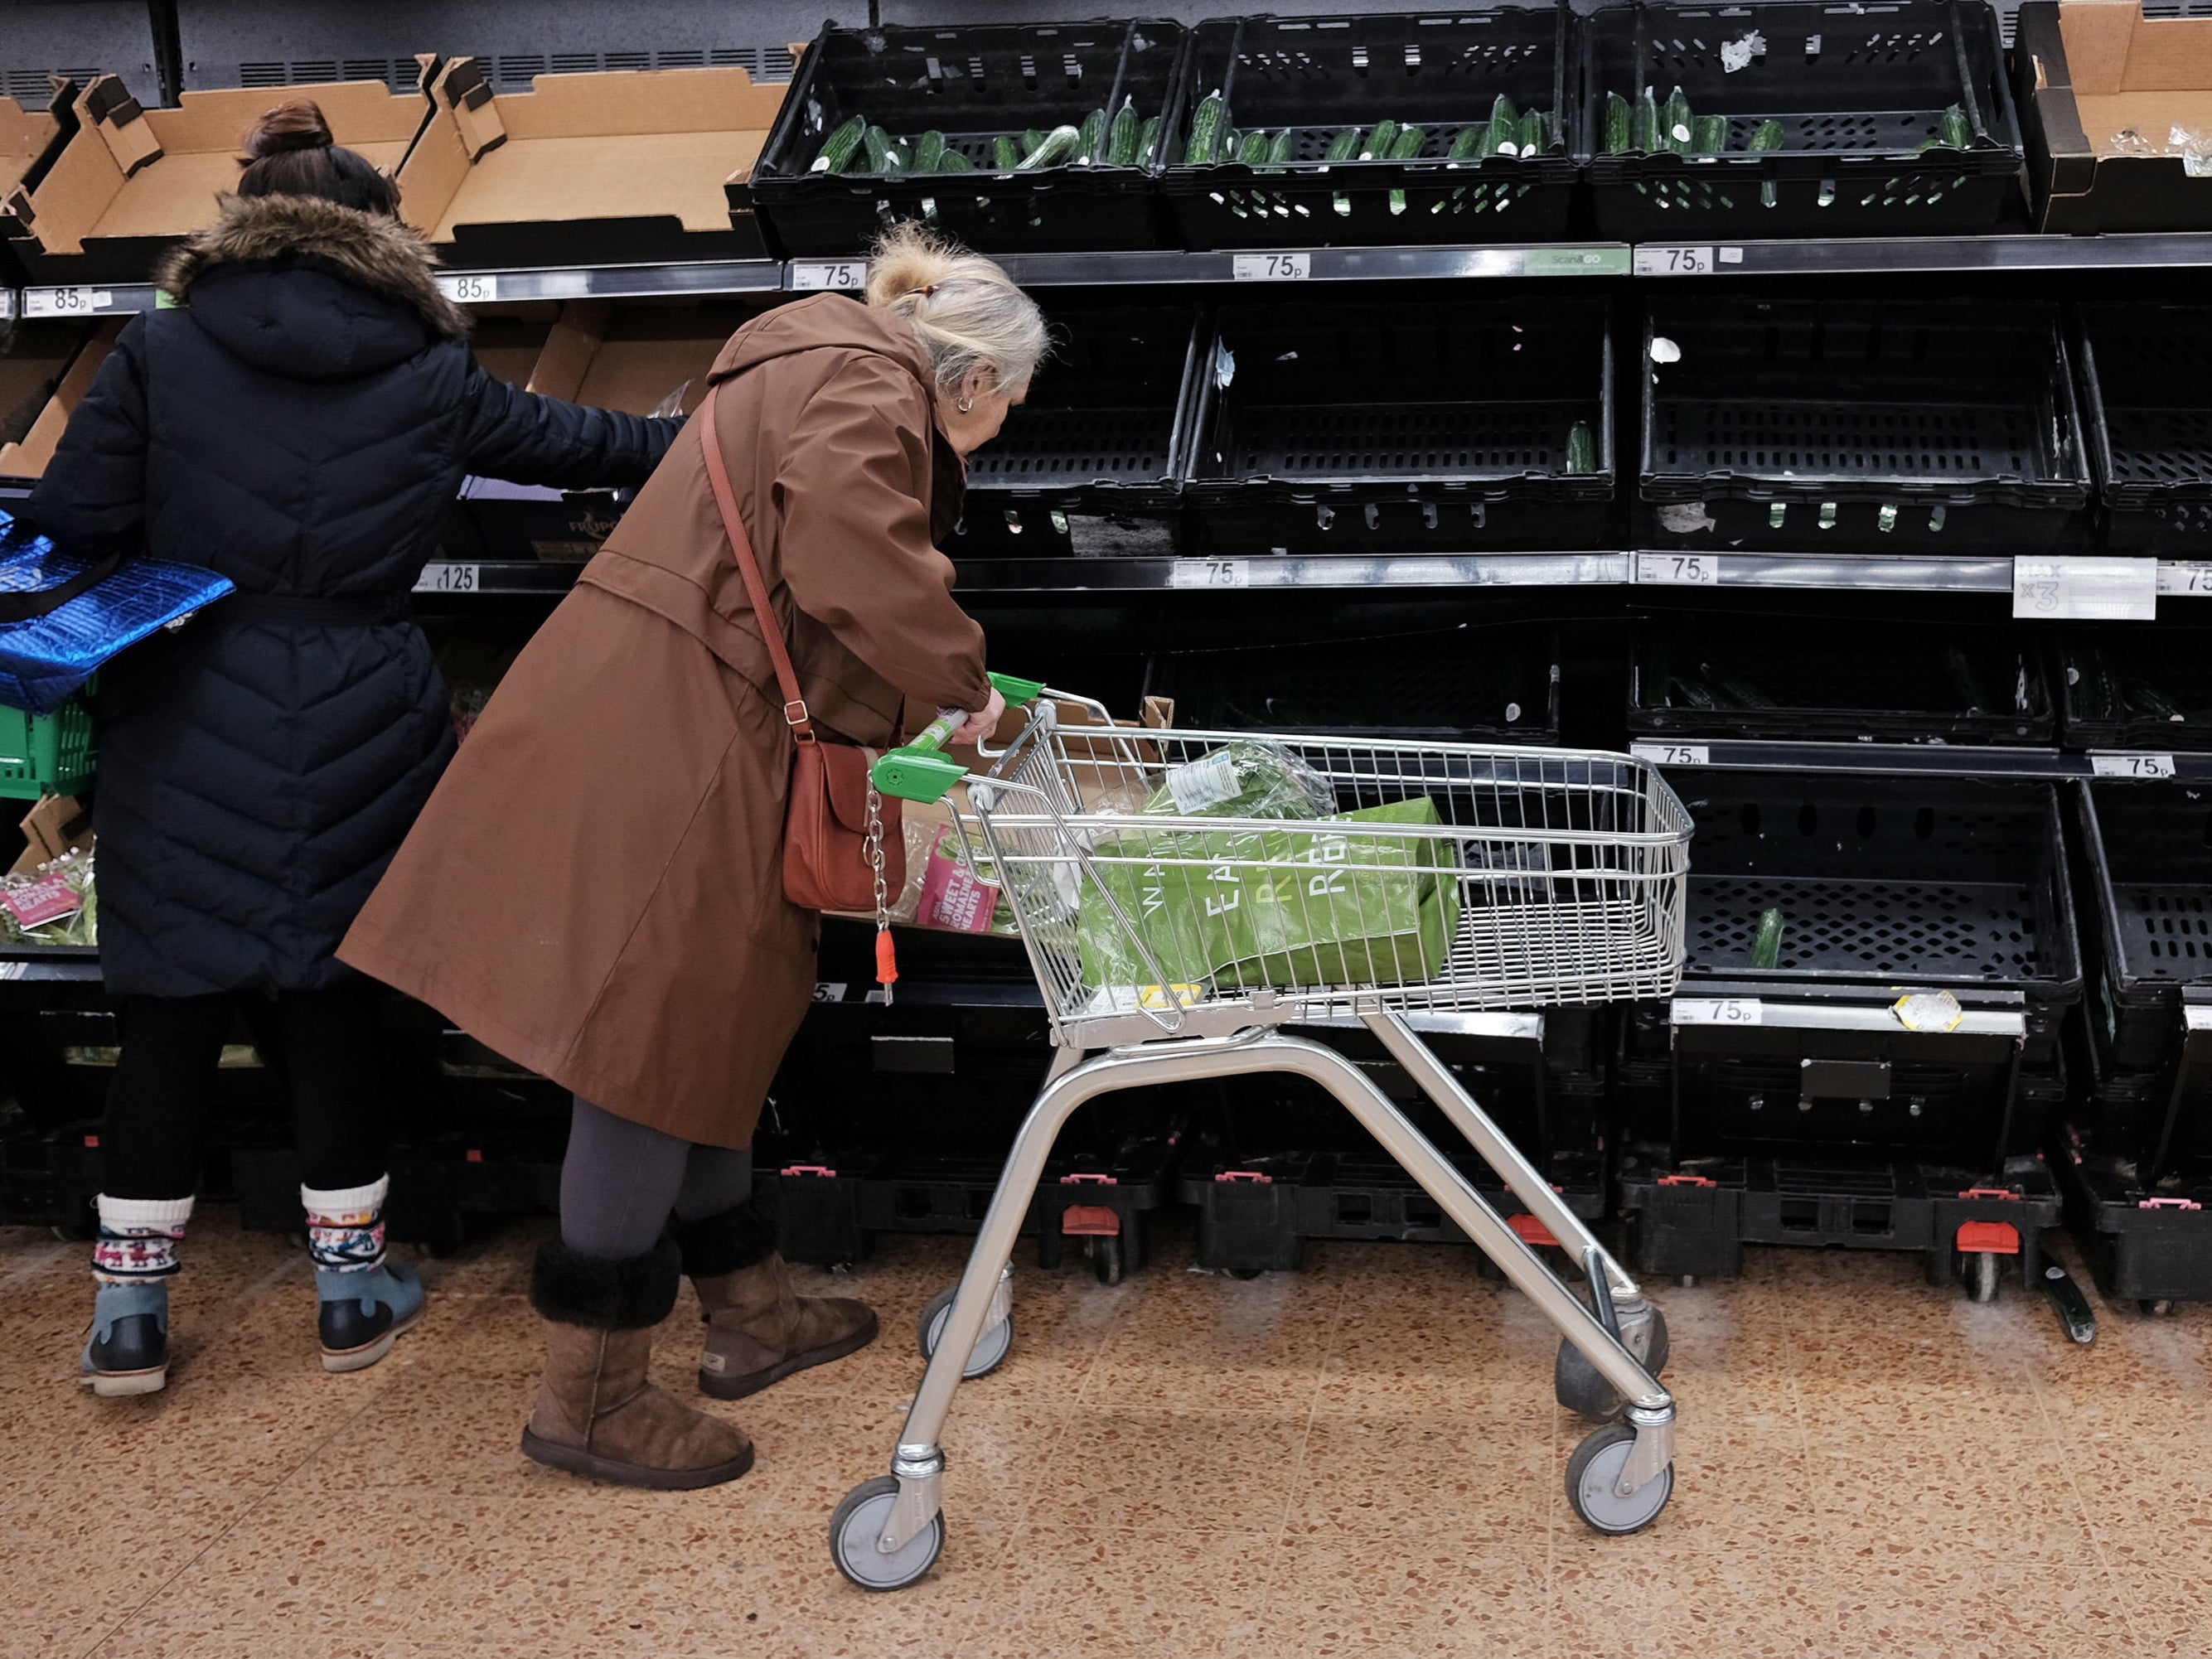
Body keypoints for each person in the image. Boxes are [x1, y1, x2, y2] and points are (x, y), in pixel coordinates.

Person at [340, 224, 1044, 1489]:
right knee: (641, 1045)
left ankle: (747, 1311)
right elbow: (845, 549)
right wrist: (961, 684)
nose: (990, 442)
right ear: (974, 380)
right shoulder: (873, 382)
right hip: (681, 740)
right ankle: (591, 1395)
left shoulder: (800, 357)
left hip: (656, 711)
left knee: (708, 1020)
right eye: (1005, 415)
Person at [31, 100, 676, 1396]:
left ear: (240, 227)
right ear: (385, 237)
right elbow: (591, 449)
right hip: (363, 703)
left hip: (185, 696)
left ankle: (128, 1319)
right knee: (331, 1000)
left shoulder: (160, 358)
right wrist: (723, 428)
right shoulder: (430, 373)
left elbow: (72, 522)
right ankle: (350, 1290)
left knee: (165, 1009)